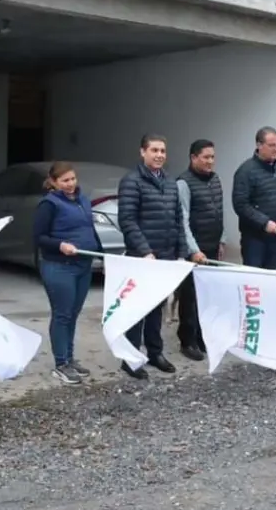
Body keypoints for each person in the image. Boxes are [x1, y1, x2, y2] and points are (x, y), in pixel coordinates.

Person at [117, 134, 187, 379]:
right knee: (137, 309)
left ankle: (155, 352)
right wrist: (145, 250)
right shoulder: (131, 181)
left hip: (166, 257)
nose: (159, 155)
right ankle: (131, 357)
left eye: (163, 151)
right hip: (142, 257)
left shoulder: (169, 182)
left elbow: (178, 220)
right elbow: (127, 220)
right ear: (142, 152)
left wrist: (181, 252)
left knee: (156, 307)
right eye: (154, 150)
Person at [33, 161, 102, 385]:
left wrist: (99, 251)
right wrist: (60, 245)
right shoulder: (49, 204)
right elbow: (39, 237)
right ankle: (60, 363)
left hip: (83, 264)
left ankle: (70, 359)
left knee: (73, 313)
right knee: (62, 314)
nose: (71, 184)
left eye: (73, 179)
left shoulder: (82, 199)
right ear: (53, 182)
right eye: (65, 181)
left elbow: (89, 228)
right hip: (59, 266)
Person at [175, 139, 226, 362]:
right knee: (190, 296)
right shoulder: (183, 183)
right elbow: (182, 219)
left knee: (208, 295)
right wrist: (193, 249)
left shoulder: (215, 179)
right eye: (205, 157)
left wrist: (222, 240)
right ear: (193, 158)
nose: (210, 161)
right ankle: (187, 340)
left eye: (212, 157)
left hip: (213, 246)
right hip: (195, 249)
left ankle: (202, 335)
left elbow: (219, 212)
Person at [232, 126, 276, 269]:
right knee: (255, 281)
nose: (275, 149)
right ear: (259, 145)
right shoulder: (246, 171)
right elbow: (240, 205)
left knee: (272, 279)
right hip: (254, 239)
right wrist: (264, 223)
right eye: (271, 145)